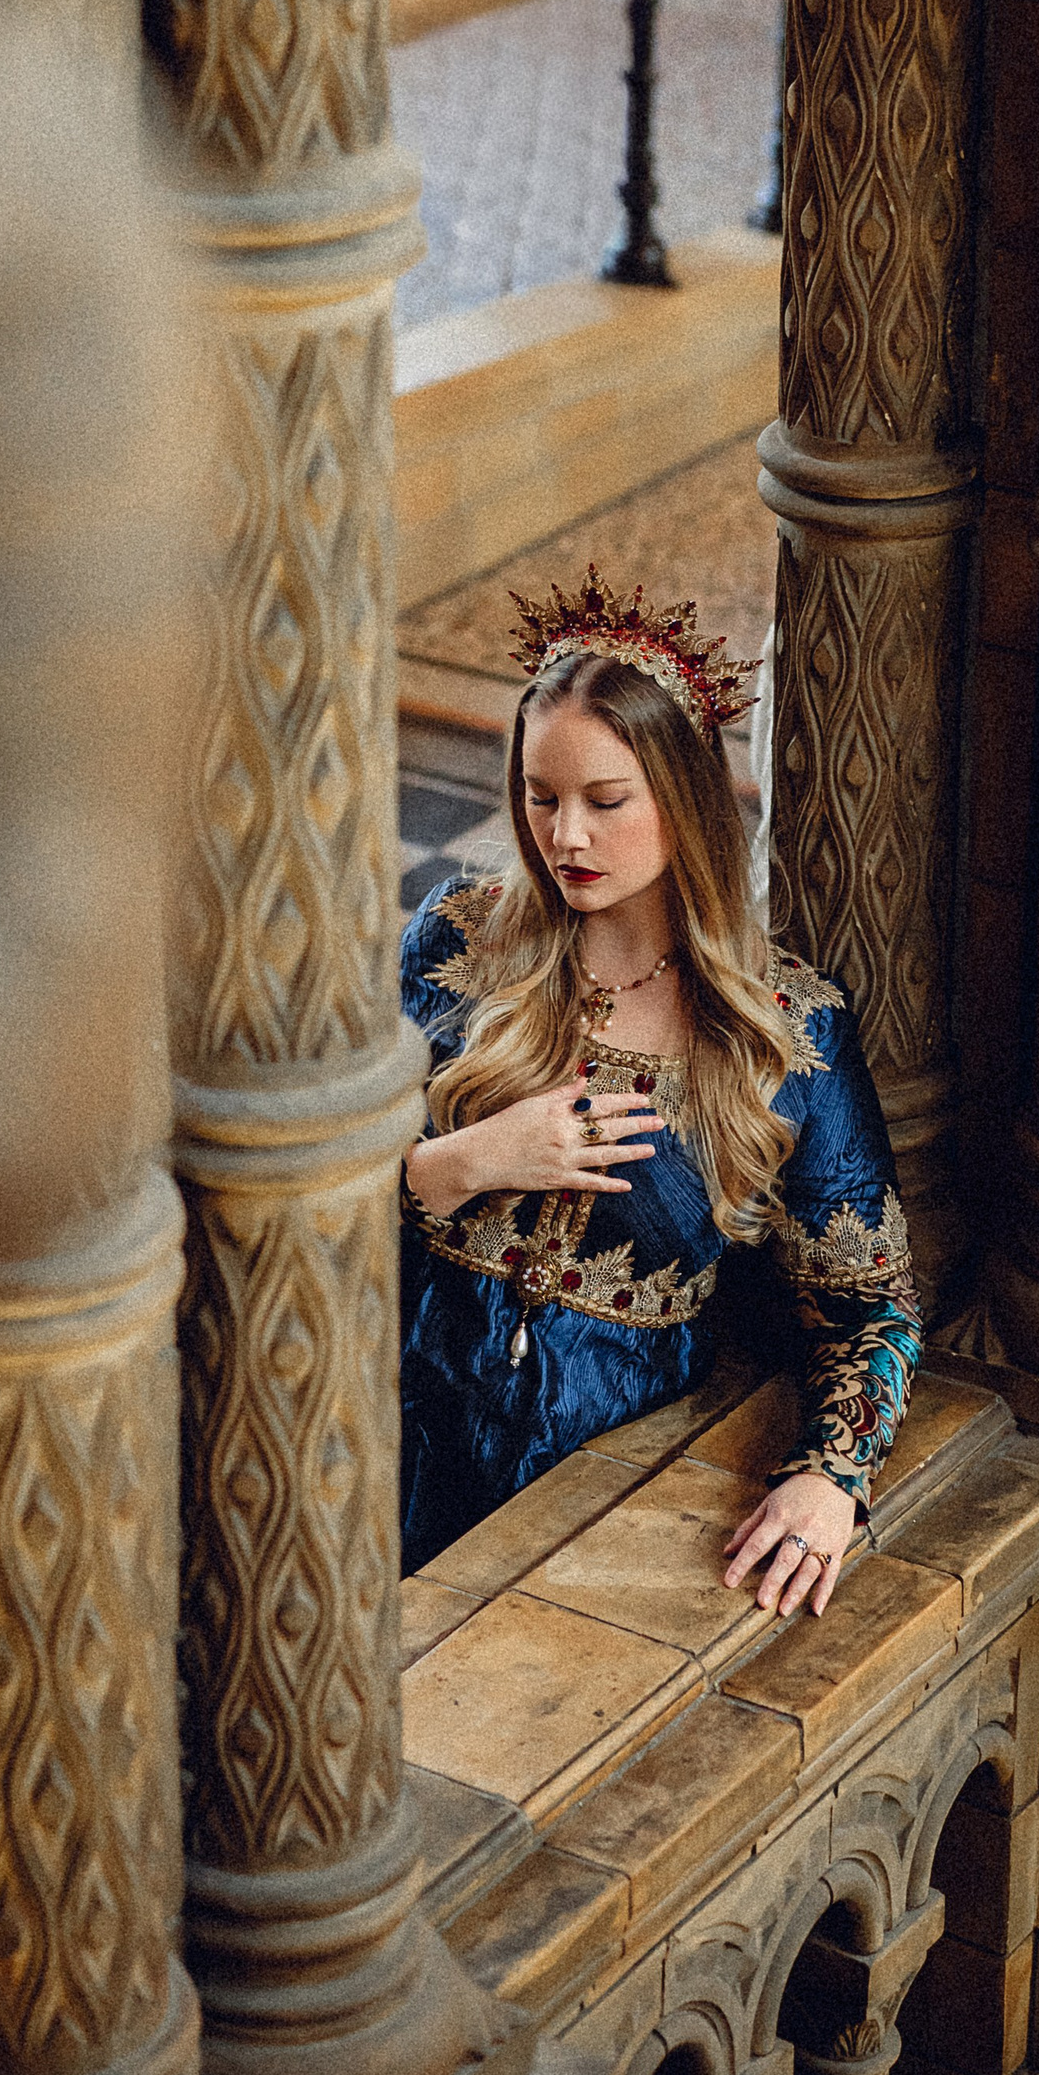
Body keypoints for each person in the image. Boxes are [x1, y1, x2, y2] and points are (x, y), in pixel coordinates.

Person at [398, 566, 924, 1617]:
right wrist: (465, 1162)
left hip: (599, 1475)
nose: (565, 837)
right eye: (539, 798)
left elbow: (873, 1308)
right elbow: (294, 1189)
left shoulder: (787, 1036)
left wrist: (831, 1476)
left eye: (604, 801)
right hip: (392, 1429)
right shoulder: (458, 940)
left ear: (680, 801)